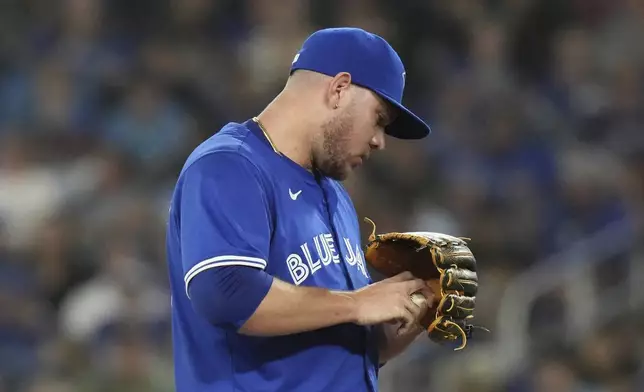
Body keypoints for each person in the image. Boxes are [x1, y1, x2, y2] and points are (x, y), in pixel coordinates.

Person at [165, 27, 434, 392]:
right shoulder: (230, 165)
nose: (379, 141)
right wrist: (358, 303)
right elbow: (225, 292)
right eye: (379, 119)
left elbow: (340, 350)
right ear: (339, 89)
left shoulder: (335, 196)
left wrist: (412, 313)